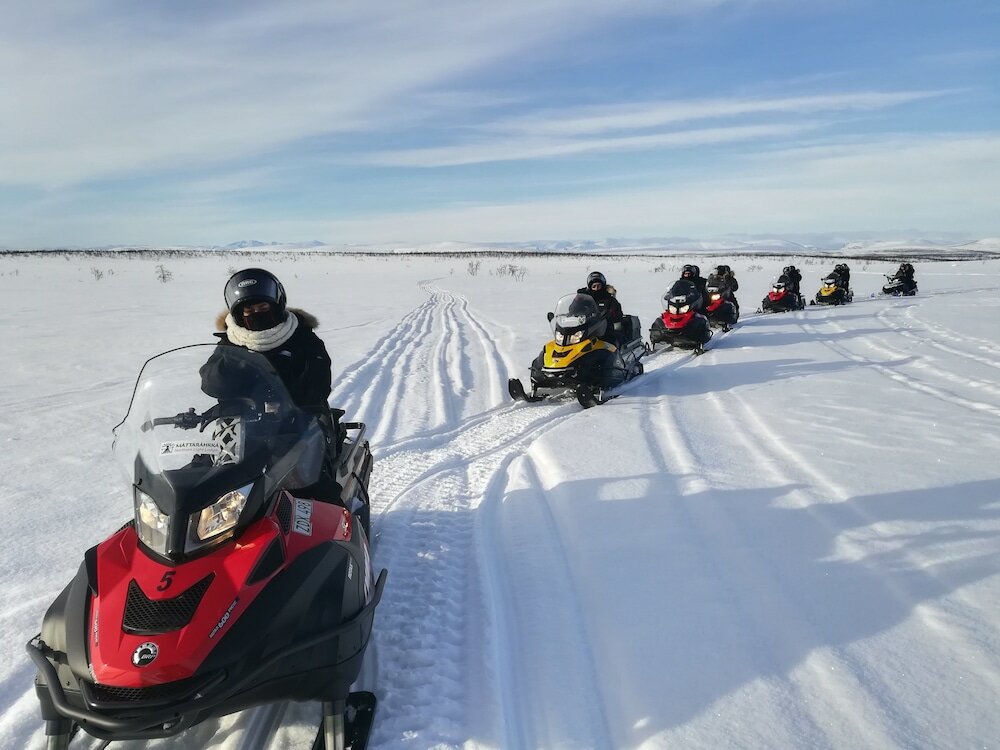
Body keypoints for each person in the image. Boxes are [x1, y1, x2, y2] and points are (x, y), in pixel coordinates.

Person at [201, 268, 342, 501]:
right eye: (248, 310)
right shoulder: (231, 342)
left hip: (297, 426)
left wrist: (282, 389)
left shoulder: (302, 338)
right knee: (202, 483)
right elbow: (211, 383)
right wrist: (235, 365)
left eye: (263, 307)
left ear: (276, 305)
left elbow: (317, 387)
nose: (256, 314)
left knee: (316, 490)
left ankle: (343, 531)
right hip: (238, 429)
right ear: (238, 314)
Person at [577, 271, 624, 341]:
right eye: (594, 286)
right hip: (585, 330)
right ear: (590, 287)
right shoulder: (584, 299)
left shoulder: (609, 299)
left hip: (605, 332)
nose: (596, 288)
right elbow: (573, 310)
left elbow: (617, 316)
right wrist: (578, 300)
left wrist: (609, 314)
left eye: (598, 286)